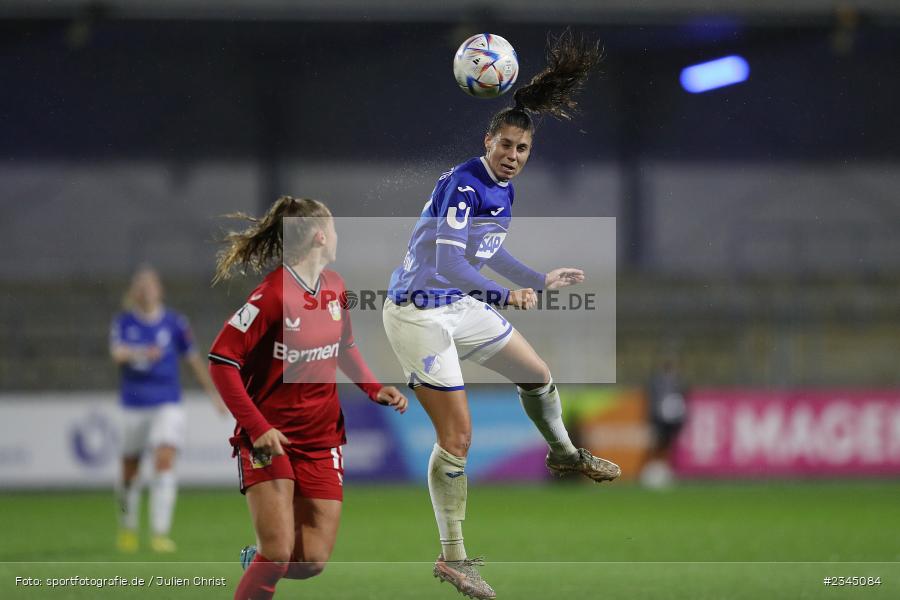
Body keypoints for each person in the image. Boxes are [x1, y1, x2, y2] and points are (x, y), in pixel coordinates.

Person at [382, 31, 620, 600]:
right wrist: (503, 296)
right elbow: (449, 266)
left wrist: (535, 279)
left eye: (523, 150)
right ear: (488, 139)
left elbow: (487, 253)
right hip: (420, 314)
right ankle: (455, 559)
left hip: (457, 306)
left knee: (536, 373)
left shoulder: (501, 190)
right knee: (458, 438)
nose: (513, 156)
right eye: (505, 145)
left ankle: (564, 454)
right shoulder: (465, 187)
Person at [207, 196, 408, 600]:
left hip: (321, 440)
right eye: (332, 227)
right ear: (320, 235)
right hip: (271, 440)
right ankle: (264, 563)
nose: (337, 235)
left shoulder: (335, 287)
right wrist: (257, 427)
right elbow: (220, 360)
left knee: (311, 561)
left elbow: (345, 346)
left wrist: (373, 387)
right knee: (279, 554)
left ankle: (256, 562)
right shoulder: (272, 295)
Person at [110, 265, 226, 553]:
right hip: (133, 404)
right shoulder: (124, 322)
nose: (147, 289)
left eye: (151, 284)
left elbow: (193, 360)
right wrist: (141, 352)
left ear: (159, 290)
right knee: (129, 470)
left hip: (167, 402)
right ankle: (128, 528)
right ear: (135, 292)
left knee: (164, 458)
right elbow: (118, 354)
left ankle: (160, 533)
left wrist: (214, 394)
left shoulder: (175, 323)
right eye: (141, 285)